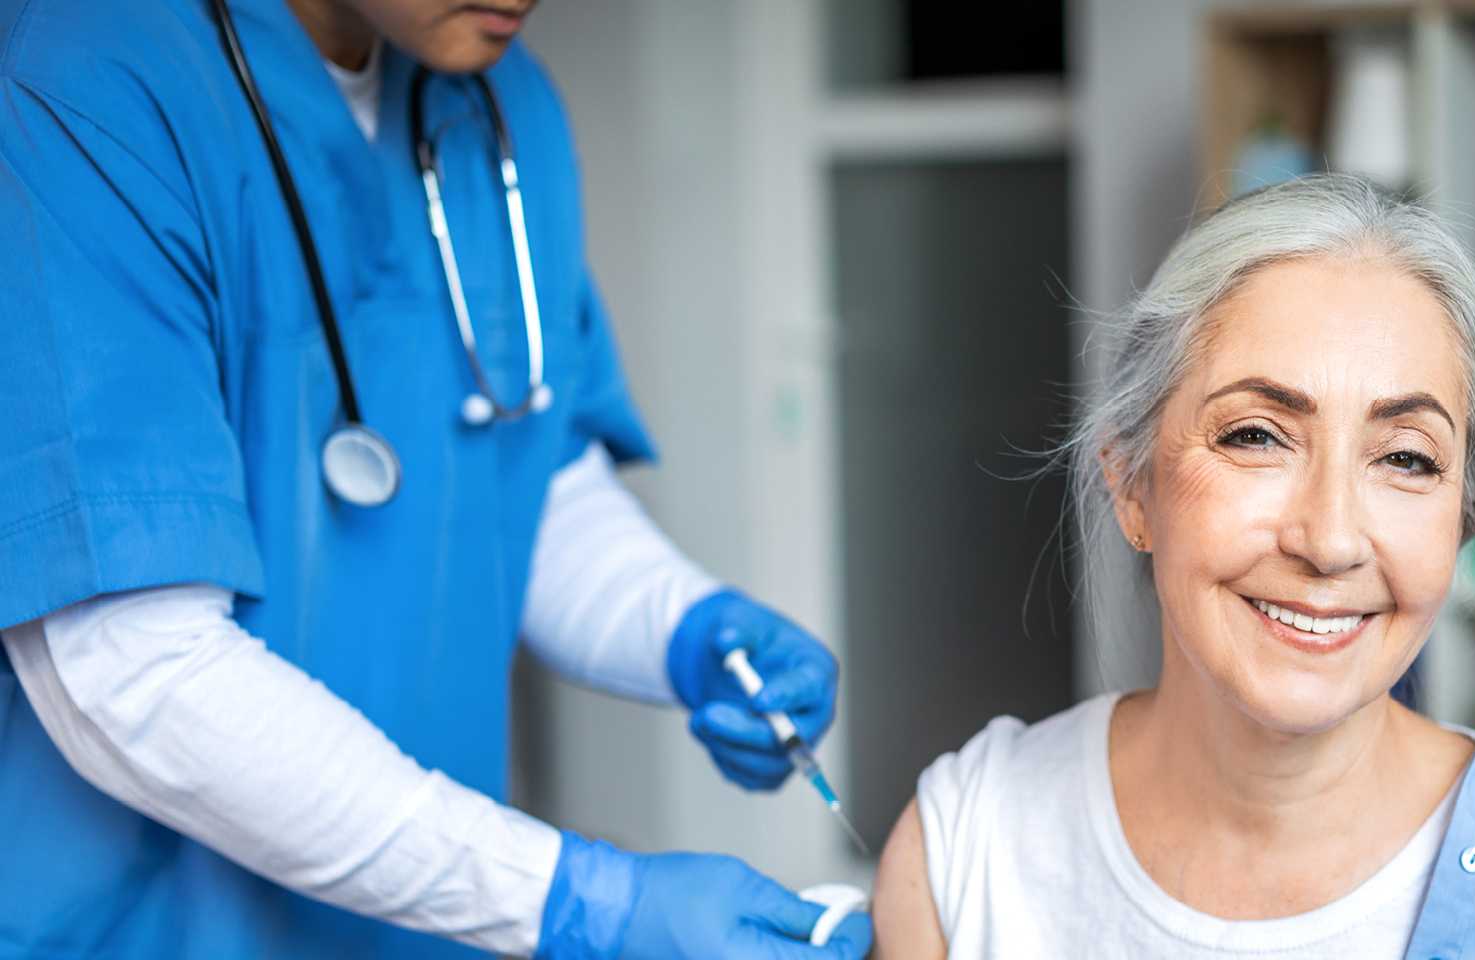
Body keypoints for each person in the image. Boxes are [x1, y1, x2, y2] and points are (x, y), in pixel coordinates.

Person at [0, 0, 869, 958]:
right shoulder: (84, 84)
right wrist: (577, 901)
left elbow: (522, 484)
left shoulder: (504, 104)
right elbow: (130, 662)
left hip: (421, 927)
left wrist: (688, 626)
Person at [868, 175, 1475, 959]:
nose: (1330, 541)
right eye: (1255, 436)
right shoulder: (963, 851)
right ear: (1131, 485)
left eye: (1405, 457)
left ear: (1462, 518)